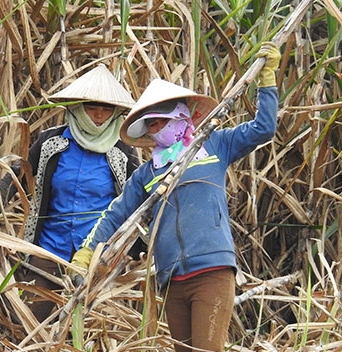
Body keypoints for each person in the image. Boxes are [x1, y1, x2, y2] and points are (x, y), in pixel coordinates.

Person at [70, 42, 281, 351]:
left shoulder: (214, 146)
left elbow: (263, 129)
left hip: (212, 271)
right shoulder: (148, 173)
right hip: (171, 279)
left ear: (182, 115)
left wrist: (267, 81)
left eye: (161, 120)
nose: (156, 128)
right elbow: (116, 214)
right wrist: (87, 253)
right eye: (151, 124)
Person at [0, 64, 146, 322]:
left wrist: (138, 251)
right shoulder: (50, 143)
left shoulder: (123, 153)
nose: (98, 115)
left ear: (115, 113)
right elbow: (18, 176)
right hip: (49, 248)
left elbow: (140, 200)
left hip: (99, 257)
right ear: (77, 106)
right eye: (91, 107)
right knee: (29, 323)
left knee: (92, 329)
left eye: (106, 108)